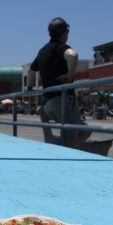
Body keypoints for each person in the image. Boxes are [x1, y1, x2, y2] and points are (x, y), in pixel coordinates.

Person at [30, 17, 89, 146]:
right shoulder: (60, 48)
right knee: (81, 133)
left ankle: (64, 145)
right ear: (64, 32)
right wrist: (70, 75)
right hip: (63, 101)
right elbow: (73, 55)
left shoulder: (42, 51)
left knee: (80, 130)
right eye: (67, 31)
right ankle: (67, 148)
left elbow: (31, 70)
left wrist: (29, 87)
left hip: (47, 104)